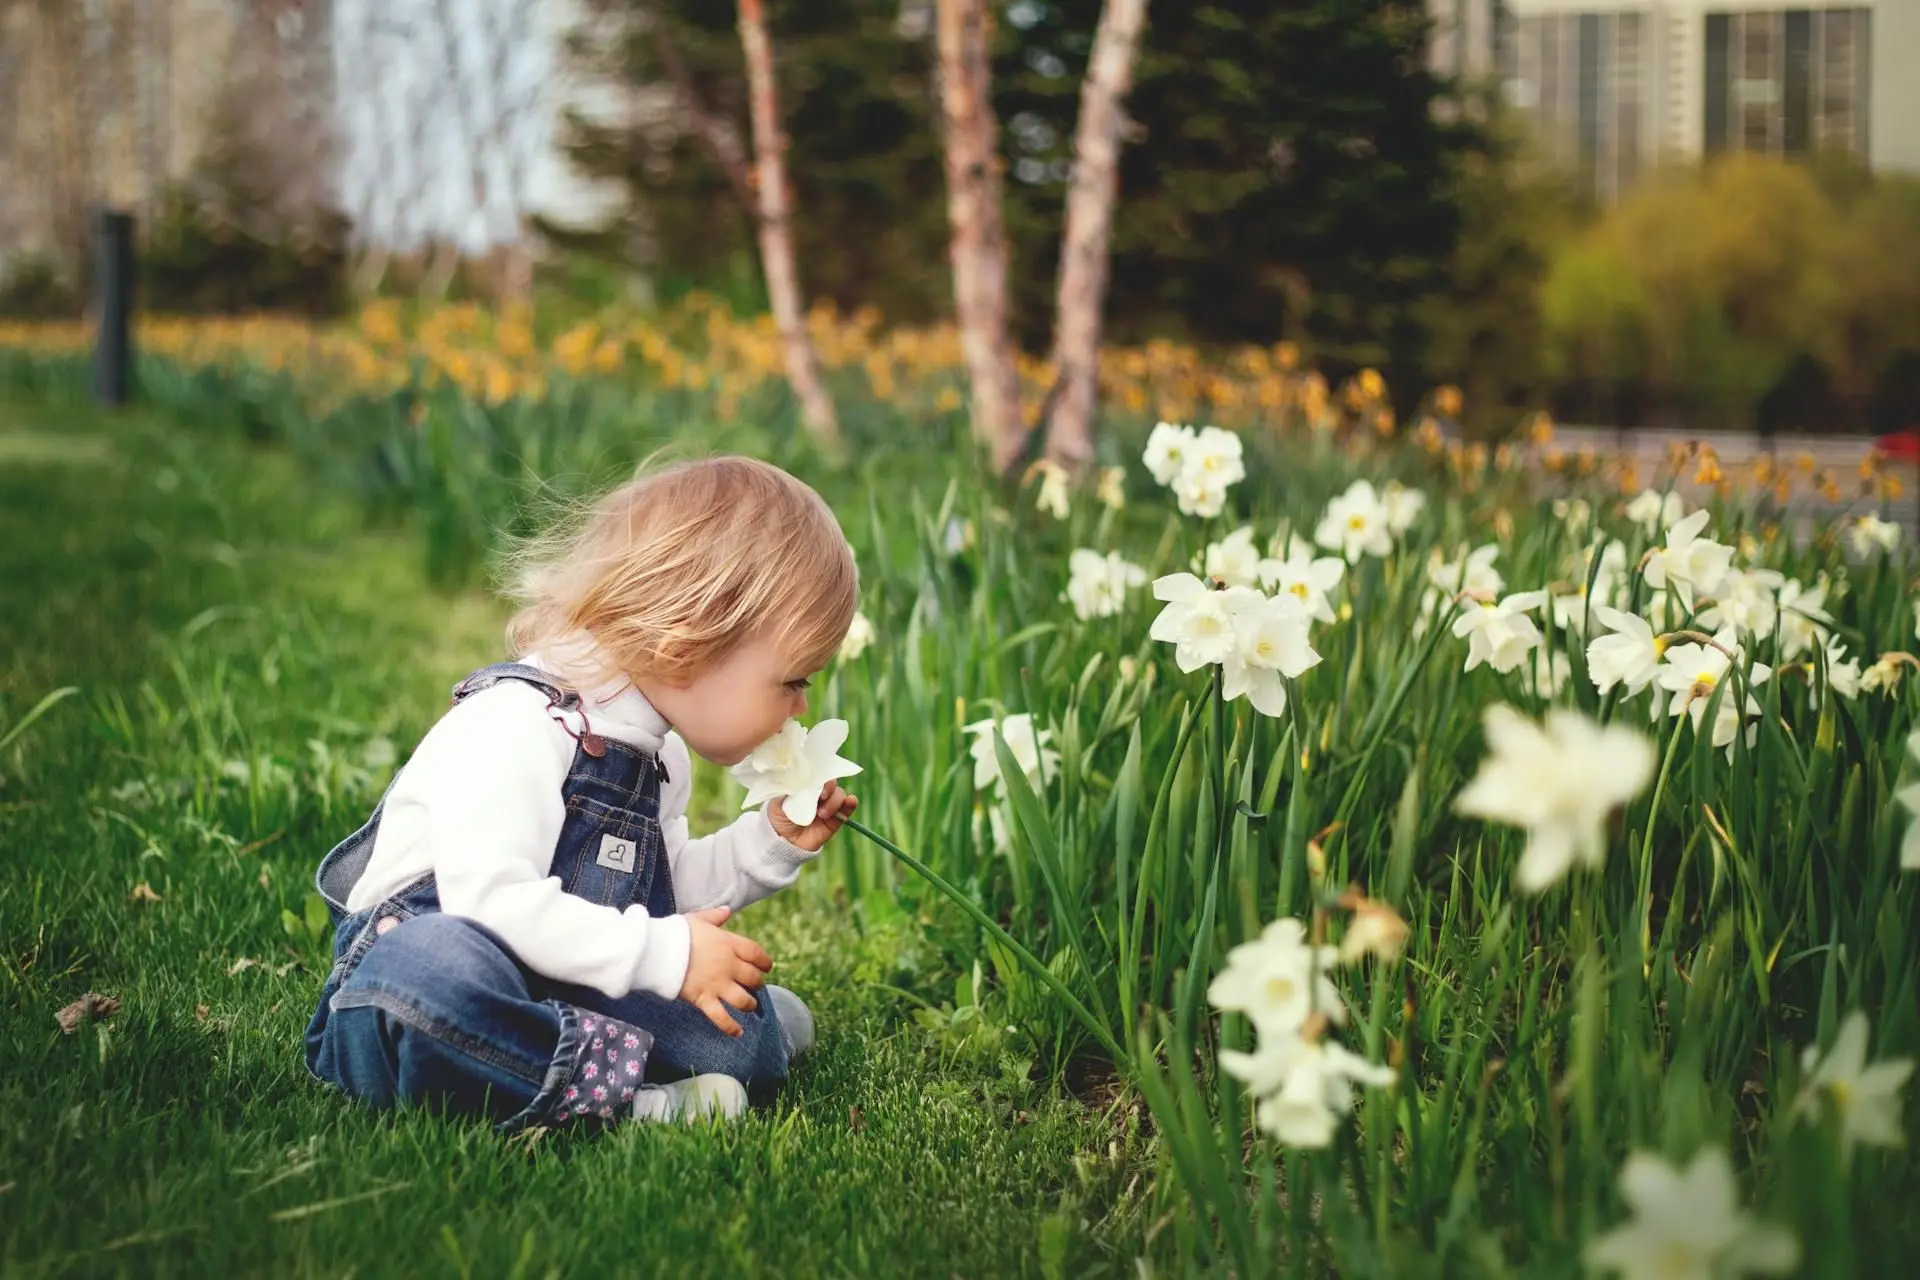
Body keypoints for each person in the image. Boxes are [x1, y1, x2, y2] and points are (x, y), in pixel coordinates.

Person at [303, 456, 859, 1130]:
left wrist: (766, 844)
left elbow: (660, 893)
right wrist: (666, 955)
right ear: (689, 645)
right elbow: (490, 904)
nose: (800, 707)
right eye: (793, 680)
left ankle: (605, 1055)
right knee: (431, 979)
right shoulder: (518, 724)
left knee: (740, 1035)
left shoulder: (658, 756)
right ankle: (627, 1104)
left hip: (559, 976)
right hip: (432, 975)